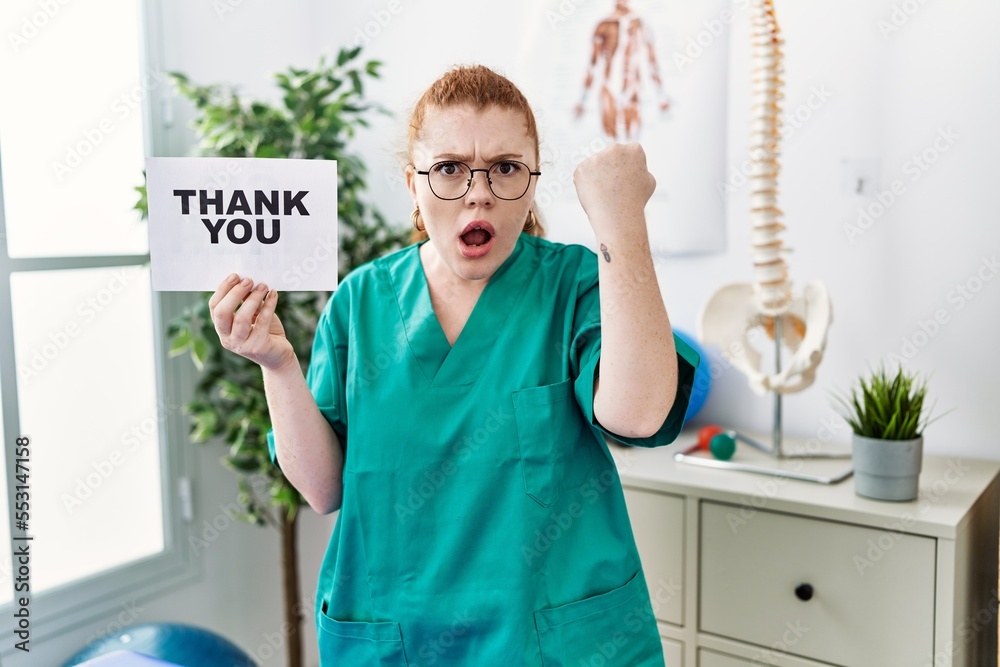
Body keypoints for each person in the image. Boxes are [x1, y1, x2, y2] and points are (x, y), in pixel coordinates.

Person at [209, 64, 698, 666]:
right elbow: (322, 488)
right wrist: (276, 364)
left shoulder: (573, 285)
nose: (478, 191)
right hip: (399, 639)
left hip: (548, 642)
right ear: (412, 183)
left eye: (506, 167)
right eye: (448, 168)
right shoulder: (361, 302)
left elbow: (640, 414)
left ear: (532, 181)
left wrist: (622, 220)